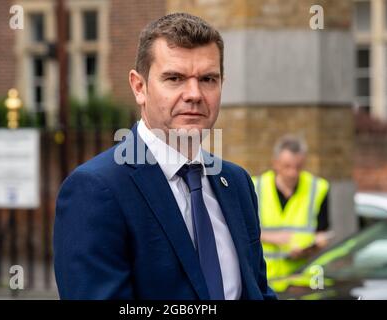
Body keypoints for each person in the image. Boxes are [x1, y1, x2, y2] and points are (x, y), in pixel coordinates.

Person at [53, 12, 276, 300]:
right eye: (174, 78)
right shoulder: (96, 189)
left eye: (208, 79)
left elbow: (258, 292)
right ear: (139, 87)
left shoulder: (236, 183)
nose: (194, 94)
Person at [252, 134, 332, 281]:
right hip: (264, 279)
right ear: (275, 163)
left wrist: (312, 247)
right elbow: (242, 230)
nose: (293, 173)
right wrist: (272, 237)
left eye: (298, 167)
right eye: (287, 166)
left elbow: (322, 234)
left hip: (302, 280)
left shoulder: (318, 188)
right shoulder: (255, 187)